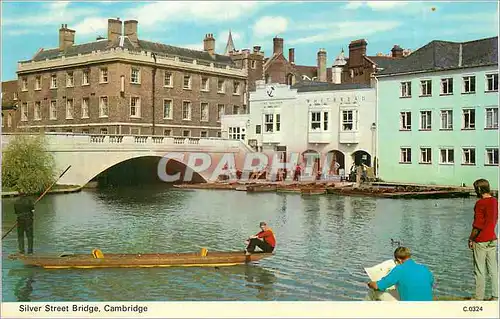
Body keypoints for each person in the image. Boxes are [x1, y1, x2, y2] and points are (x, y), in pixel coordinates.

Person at [468, 178, 498, 301]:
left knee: (479, 270)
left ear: (479, 189)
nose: (475, 191)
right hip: (492, 237)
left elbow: (478, 225)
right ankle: (496, 296)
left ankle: (479, 297)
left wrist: (471, 239)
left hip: (481, 240)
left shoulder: (480, 203)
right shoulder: (495, 201)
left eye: (475, 189)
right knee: (493, 269)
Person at [367, 247, 434, 301]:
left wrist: (370, 283)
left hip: (410, 309)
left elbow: (378, 286)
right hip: (427, 307)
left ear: (399, 260)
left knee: (373, 291)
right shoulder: (424, 268)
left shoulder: (399, 269)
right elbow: (431, 283)